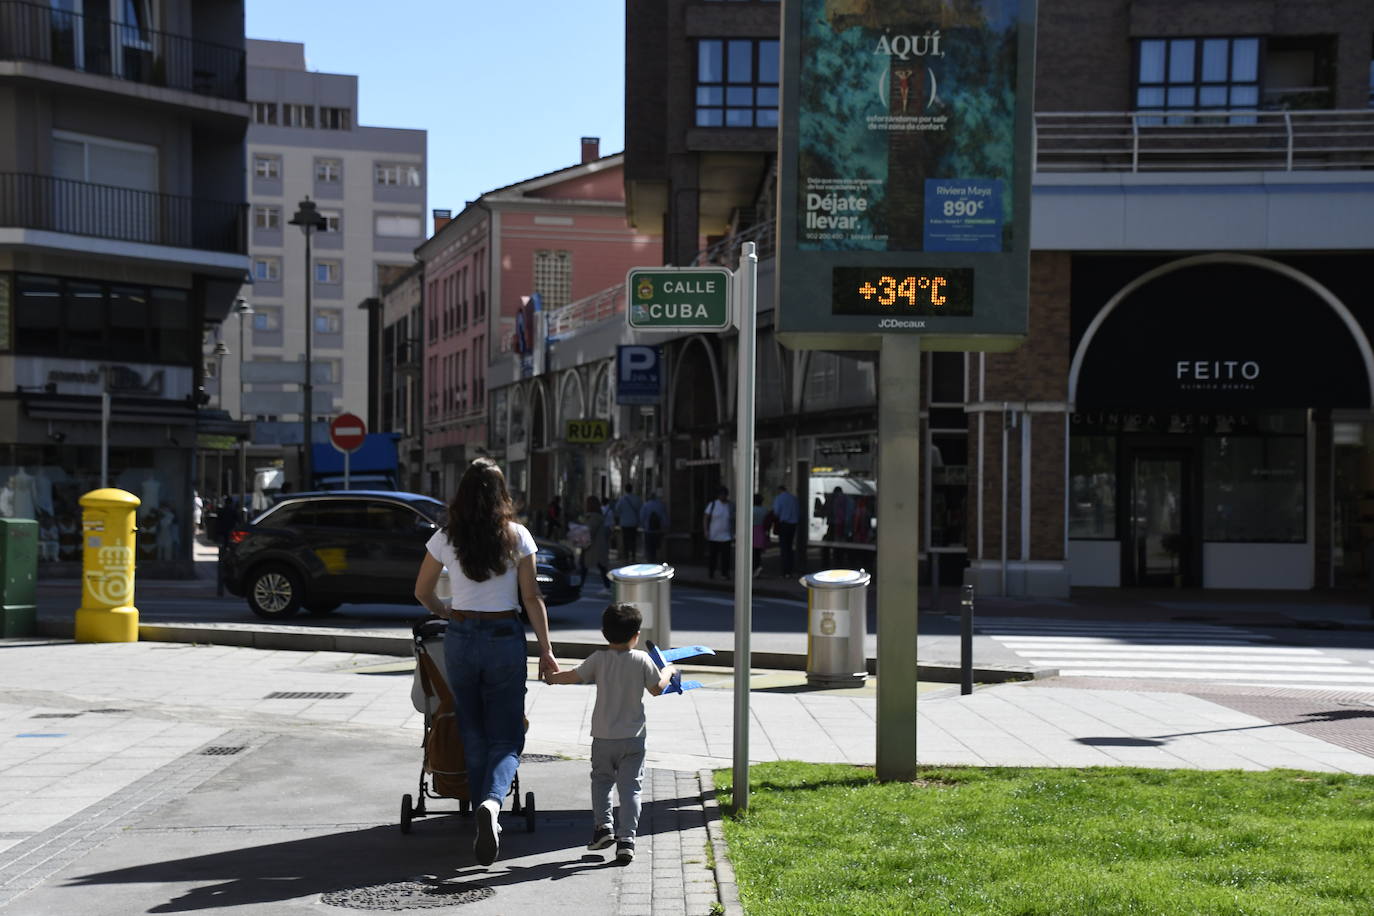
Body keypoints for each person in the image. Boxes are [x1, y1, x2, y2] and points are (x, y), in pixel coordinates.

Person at [413, 457, 560, 867]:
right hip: (502, 637)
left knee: (472, 730)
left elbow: (421, 590)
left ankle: (482, 810)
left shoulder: (446, 536)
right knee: (507, 735)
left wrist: (444, 610)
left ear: (461, 493)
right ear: (501, 495)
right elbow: (531, 597)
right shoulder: (517, 536)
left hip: (461, 635)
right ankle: (492, 805)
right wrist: (546, 649)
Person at [544, 603, 673, 864]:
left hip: (603, 737)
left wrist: (551, 677)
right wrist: (669, 671)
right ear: (636, 635)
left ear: (604, 633)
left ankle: (603, 827)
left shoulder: (598, 659)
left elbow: (573, 676)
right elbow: (657, 689)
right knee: (631, 789)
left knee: (602, 782)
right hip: (633, 738)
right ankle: (627, 841)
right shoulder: (642, 659)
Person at [582, 494, 612, 595]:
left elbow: (590, 531)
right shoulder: (595, 516)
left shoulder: (594, 517)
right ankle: (607, 586)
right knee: (597, 566)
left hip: (594, 547)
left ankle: (607, 586)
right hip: (596, 547)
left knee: (588, 566)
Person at [703, 486, 733, 580]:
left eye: (724, 495)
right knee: (713, 556)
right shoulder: (713, 504)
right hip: (714, 535)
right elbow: (706, 518)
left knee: (726, 557)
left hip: (726, 536)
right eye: (721, 494)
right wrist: (706, 530)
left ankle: (725, 573)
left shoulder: (730, 506)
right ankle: (711, 572)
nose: (723, 496)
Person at [771, 484, 800, 576]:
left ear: (779, 490)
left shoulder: (779, 498)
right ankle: (790, 569)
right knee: (790, 547)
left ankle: (785, 570)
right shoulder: (793, 498)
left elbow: (776, 512)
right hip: (793, 524)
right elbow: (797, 511)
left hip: (784, 524)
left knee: (784, 548)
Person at [615, 486, 643, 563]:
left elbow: (617, 509)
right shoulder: (636, 498)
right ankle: (633, 556)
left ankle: (626, 557)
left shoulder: (622, 499)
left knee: (625, 541)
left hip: (624, 523)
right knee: (633, 540)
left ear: (625, 490)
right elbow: (640, 509)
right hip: (634, 522)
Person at [639, 490, 668, 563]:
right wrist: (665, 526)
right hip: (658, 529)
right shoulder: (660, 505)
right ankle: (656, 559)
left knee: (649, 546)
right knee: (657, 546)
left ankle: (650, 559)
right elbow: (664, 517)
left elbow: (642, 517)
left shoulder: (646, 505)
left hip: (648, 529)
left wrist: (643, 526)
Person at [751, 493, 771, 578]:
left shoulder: (751, 510)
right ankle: (757, 567)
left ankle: (754, 569)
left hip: (752, 530)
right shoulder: (765, 510)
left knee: (752, 552)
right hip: (761, 531)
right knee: (758, 552)